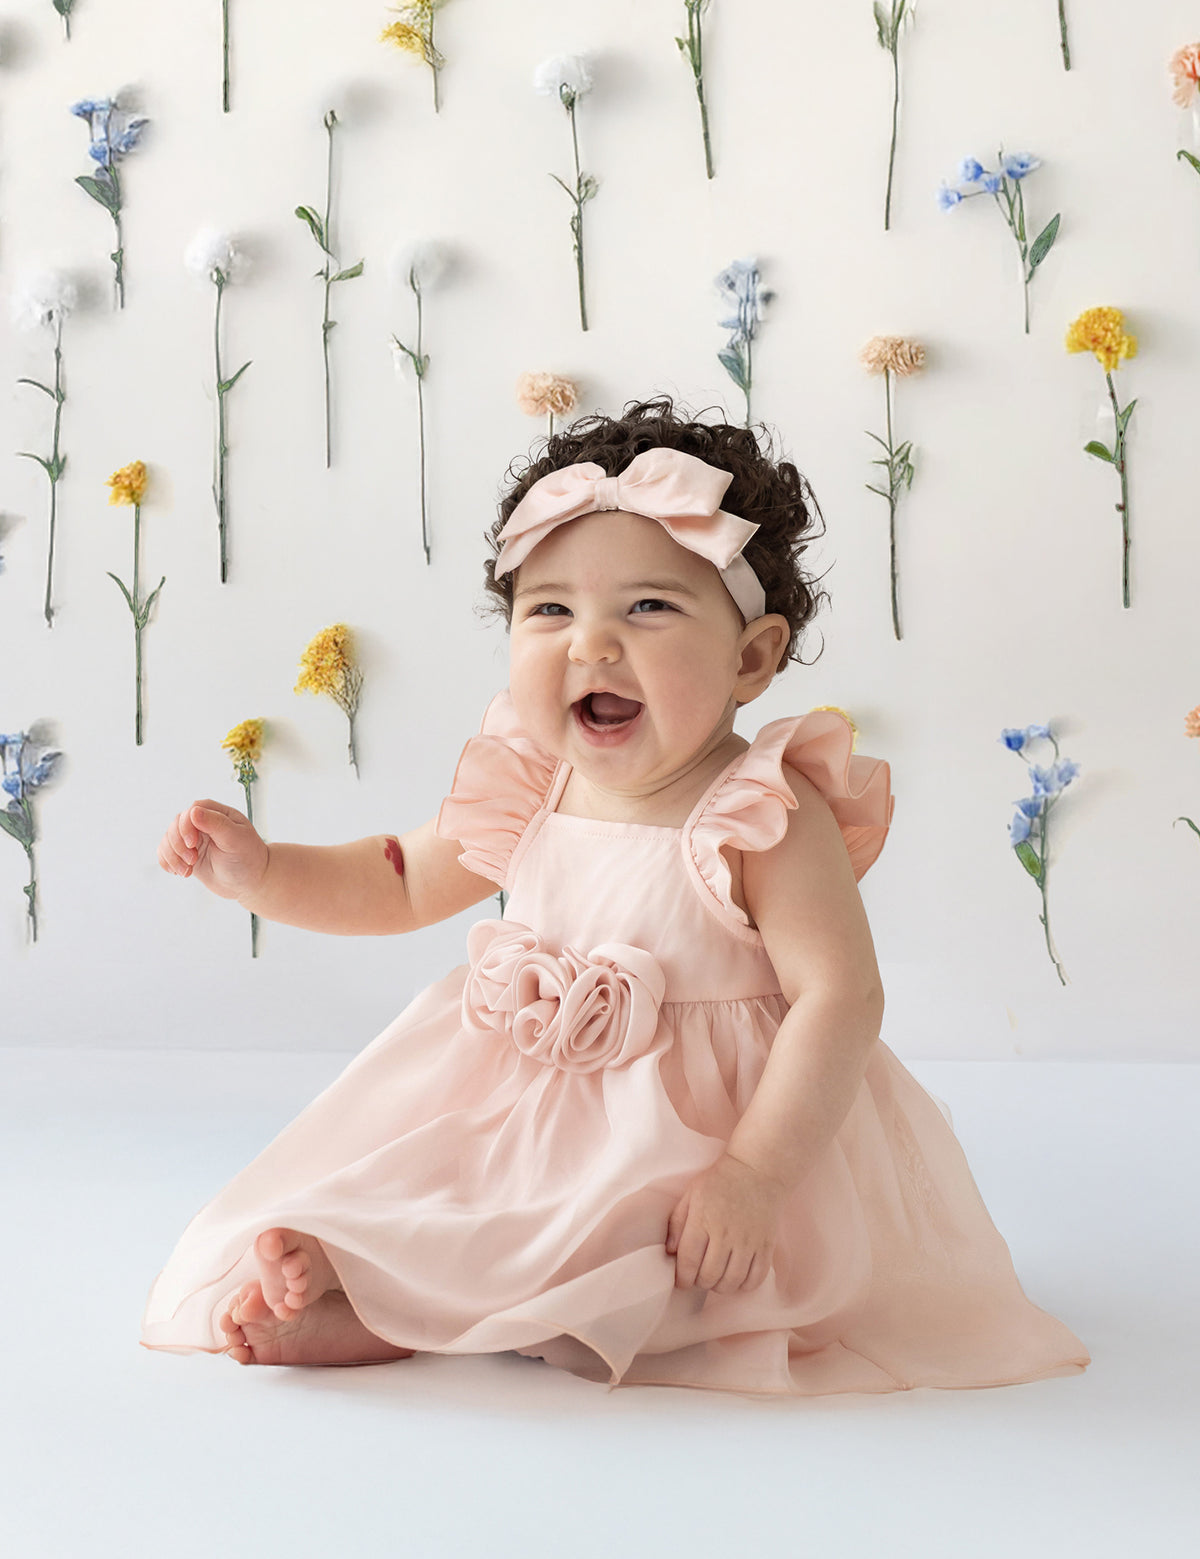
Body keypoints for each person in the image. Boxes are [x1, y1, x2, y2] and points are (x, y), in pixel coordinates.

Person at [141, 398, 1090, 1396]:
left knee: (637, 1242)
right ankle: (362, 1278)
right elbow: (402, 877)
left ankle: (397, 1298)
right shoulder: (529, 778)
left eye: (647, 608)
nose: (590, 645)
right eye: (550, 609)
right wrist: (262, 870)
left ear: (751, 657)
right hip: (516, 1105)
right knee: (419, 1170)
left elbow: (840, 995)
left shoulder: (761, 810)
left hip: (699, 1134)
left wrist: (756, 1175)